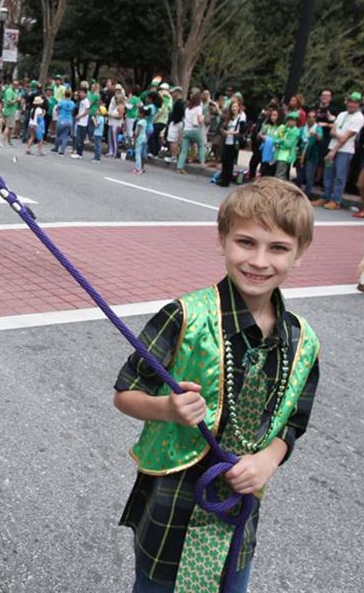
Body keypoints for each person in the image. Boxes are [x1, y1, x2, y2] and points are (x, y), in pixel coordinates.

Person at [113, 177, 321, 593]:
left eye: (278, 248)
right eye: (246, 242)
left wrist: (268, 460)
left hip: (238, 507)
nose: (259, 261)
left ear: (299, 254)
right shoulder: (184, 317)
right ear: (222, 241)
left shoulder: (303, 340)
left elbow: (293, 423)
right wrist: (167, 409)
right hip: (174, 500)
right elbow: (125, 393)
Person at [316, 92, 364, 210]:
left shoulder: (359, 118)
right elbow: (333, 131)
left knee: (340, 175)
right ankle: (325, 196)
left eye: (355, 102)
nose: (352, 104)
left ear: (358, 104)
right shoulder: (342, 114)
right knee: (328, 173)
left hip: (345, 150)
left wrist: (334, 150)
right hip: (332, 146)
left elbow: (346, 137)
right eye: (350, 101)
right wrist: (338, 137)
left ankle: (336, 200)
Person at [218, 98, 247, 187]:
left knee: (230, 161)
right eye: (232, 107)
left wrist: (231, 133)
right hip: (227, 140)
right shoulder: (229, 117)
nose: (234, 108)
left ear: (239, 107)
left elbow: (242, 130)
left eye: (236, 107)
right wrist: (224, 131)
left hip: (234, 141)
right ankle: (223, 178)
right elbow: (223, 127)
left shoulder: (241, 116)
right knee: (224, 160)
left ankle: (227, 180)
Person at [176, 90, 205, 174]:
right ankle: (202, 162)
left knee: (184, 150)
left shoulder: (187, 108)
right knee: (201, 145)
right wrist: (202, 122)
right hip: (195, 130)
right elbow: (199, 119)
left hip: (186, 130)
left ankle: (179, 167)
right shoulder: (198, 108)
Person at [299, 110, 323, 198]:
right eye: (309, 117)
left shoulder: (317, 128)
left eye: (313, 117)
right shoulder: (303, 128)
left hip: (312, 155)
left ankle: (307, 194)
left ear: (315, 119)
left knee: (309, 175)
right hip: (301, 154)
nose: (311, 119)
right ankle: (297, 194)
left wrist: (316, 134)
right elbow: (298, 137)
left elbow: (320, 138)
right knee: (300, 175)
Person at [273, 111, 301, 181]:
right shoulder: (282, 128)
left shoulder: (296, 131)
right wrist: (281, 141)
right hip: (278, 154)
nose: (292, 122)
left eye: (294, 120)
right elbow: (274, 139)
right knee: (277, 173)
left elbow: (288, 144)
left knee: (280, 175)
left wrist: (280, 141)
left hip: (286, 156)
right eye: (290, 120)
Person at [53, 89, 76, 156]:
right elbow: (73, 110)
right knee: (65, 136)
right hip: (69, 120)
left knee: (58, 134)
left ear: (64, 94)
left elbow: (57, 109)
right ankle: (62, 150)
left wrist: (58, 113)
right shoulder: (72, 103)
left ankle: (56, 147)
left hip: (61, 119)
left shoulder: (61, 102)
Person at [165, 87, 185, 161]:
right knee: (176, 140)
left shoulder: (179, 103)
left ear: (177, 92)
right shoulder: (179, 102)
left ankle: (173, 156)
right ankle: (174, 156)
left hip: (176, 122)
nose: (172, 94)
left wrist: (174, 121)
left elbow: (180, 113)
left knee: (173, 139)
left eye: (173, 93)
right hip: (179, 122)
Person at [108, 86, 127, 159]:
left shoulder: (121, 106)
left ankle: (115, 153)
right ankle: (112, 152)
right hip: (113, 124)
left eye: (117, 98)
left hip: (117, 124)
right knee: (113, 138)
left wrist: (111, 115)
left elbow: (120, 116)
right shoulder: (118, 106)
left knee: (115, 139)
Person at [0, 78, 20, 147]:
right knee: (8, 127)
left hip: (11, 111)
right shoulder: (9, 91)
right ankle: (2, 142)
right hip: (9, 111)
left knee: (10, 127)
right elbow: (8, 102)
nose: (16, 86)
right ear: (12, 84)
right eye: (15, 84)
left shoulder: (14, 91)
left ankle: (9, 141)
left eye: (17, 84)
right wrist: (16, 100)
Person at [72, 88, 91, 158]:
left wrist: (79, 116)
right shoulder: (81, 101)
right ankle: (77, 151)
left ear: (85, 94)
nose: (81, 94)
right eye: (80, 93)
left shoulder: (86, 101)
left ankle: (80, 153)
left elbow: (87, 111)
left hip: (83, 122)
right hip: (79, 121)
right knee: (77, 137)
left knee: (80, 138)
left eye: (82, 93)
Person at [132, 104, 151, 175]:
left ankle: (138, 168)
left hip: (139, 138)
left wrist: (135, 138)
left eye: (138, 112)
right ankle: (139, 167)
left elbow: (138, 132)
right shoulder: (145, 121)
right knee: (141, 153)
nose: (137, 113)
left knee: (137, 154)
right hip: (144, 137)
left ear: (141, 114)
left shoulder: (140, 122)